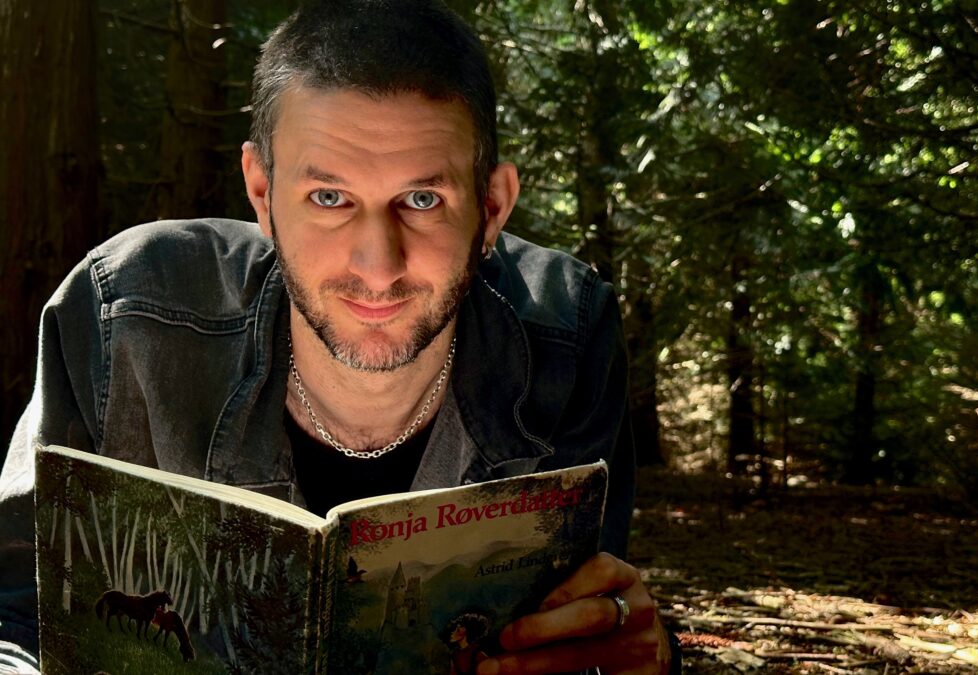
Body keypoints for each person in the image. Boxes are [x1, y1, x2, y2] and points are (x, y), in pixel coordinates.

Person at [0, 1, 679, 673]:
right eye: (330, 198)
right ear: (262, 194)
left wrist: (641, 658)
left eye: (422, 200)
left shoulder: (566, 339)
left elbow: (585, 637)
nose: (377, 267)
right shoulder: (124, 317)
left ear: (492, 207)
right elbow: (14, 621)